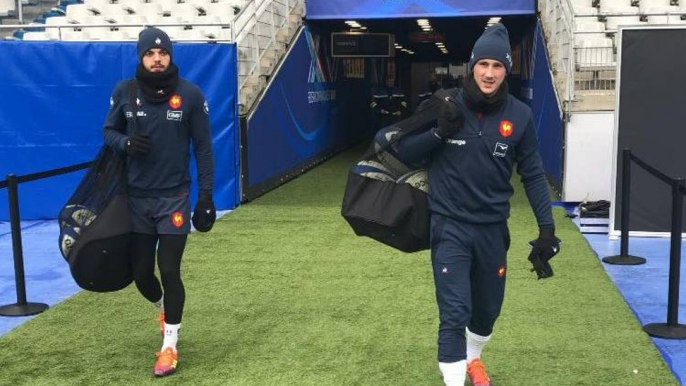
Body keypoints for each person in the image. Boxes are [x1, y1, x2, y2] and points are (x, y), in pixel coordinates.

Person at [396, 23, 561, 386]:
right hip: (449, 225)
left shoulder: (519, 115)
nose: (489, 73)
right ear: (472, 66)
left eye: (497, 66)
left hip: (492, 230)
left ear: (507, 69)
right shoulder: (445, 103)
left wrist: (546, 229)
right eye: (483, 64)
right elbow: (403, 151)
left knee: (486, 313)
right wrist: (439, 131)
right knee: (455, 312)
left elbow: (532, 173)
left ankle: (474, 360)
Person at [103, 27, 216, 377]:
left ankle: (170, 345)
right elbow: (109, 132)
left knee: (169, 270)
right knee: (141, 275)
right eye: (150, 54)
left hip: (174, 198)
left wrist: (206, 197)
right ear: (141, 57)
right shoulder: (125, 91)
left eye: (162, 53)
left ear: (170, 55)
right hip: (136, 199)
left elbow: (203, 148)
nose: (156, 59)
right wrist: (124, 143)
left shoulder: (191, 95)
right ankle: (166, 309)